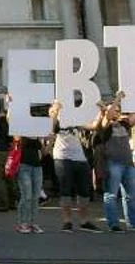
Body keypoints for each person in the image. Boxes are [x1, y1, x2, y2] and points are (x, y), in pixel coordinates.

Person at [49, 99, 101, 233]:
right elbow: (50, 129)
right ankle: (67, 221)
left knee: (84, 192)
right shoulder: (56, 117)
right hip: (62, 157)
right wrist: (55, 111)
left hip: (80, 157)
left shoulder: (75, 119)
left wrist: (102, 111)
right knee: (65, 191)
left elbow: (94, 126)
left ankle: (84, 221)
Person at [97, 91, 135, 232]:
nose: (117, 112)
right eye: (115, 109)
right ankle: (113, 224)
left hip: (128, 164)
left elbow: (133, 118)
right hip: (113, 163)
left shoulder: (124, 124)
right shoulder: (104, 126)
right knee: (111, 195)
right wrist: (118, 98)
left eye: (119, 110)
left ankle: (132, 223)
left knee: (131, 196)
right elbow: (108, 115)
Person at [0, 96, 17, 212]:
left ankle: (3, 203)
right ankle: (12, 202)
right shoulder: (10, 121)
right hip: (10, 152)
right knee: (10, 178)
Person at [15, 136, 44, 234]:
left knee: (35, 196)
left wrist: (50, 140)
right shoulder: (21, 132)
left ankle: (33, 223)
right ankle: (22, 223)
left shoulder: (37, 135)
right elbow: (16, 140)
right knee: (26, 195)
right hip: (23, 166)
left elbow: (44, 152)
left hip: (37, 167)